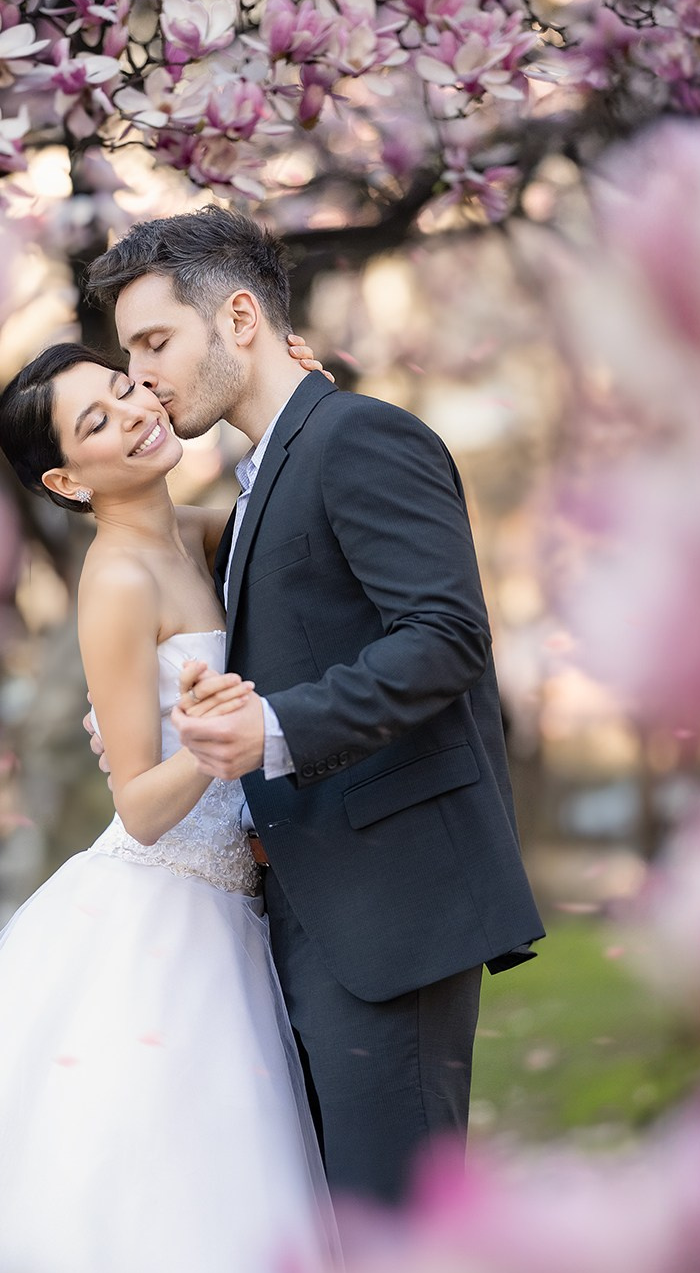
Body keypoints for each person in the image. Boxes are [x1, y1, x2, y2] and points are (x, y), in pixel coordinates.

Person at [0, 339, 375, 1273]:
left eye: (124, 387)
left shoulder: (184, 532)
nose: (136, 414)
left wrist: (306, 395)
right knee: (160, 1181)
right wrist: (221, 738)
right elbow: (141, 808)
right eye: (101, 424)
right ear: (67, 480)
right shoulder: (114, 577)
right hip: (165, 909)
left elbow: (267, 514)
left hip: (232, 904)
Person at [85, 207, 545, 1207]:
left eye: (155, 342)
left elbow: (445, 637)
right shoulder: (263, 474)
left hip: (392, 909)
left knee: (395, 1251)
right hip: (309, 907)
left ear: (239, 318)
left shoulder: (360, 438)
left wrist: (275, 730)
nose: (144, 376)